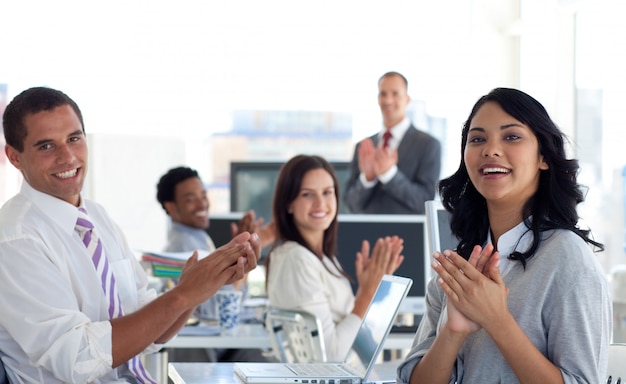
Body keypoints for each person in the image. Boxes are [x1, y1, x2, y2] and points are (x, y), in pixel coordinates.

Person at [0, 86, 260, 383]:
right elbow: (77, 360)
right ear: (15, 157)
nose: (68, 156)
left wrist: (201, 288)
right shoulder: (16, 239)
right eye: (46, 146)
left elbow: (150, 332)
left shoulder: (97, 218)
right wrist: (183, 295)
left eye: (74, 138)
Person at [397, 88, 612, 383]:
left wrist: (497, 321)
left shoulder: (568, 260)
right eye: (477, 139)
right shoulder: (459, 267)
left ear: (544, 158)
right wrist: (452, 332)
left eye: (511, 136)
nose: (490, 150)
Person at [265, 154, 405, 362]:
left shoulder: (321, 258)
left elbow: (355, 338)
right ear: (288, 204)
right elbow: (330, 358)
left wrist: (369, 293)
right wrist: (366, 294)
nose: (320, 203)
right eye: (307, 194)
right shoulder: (296, 260)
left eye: (327, 192)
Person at [156, 165, 272, 362]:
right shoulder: (185, 246)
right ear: (171, 207)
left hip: (215, 347)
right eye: (190, 199)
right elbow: (214, 312)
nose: (202, 204)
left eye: (203, 195)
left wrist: (240, 260)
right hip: (203, 352)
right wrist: (240, 264)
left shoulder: (197, 238)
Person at [344, 71, 441, 214]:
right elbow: (351, 205)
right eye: (383, 94)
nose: (388, 100)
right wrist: (367, 179)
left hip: (408, 234)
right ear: (378, 99)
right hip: (367, 233)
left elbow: (424, 203)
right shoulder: (364, 146)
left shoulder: (428, 145)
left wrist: (389, 174)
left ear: (407, 100)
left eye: (395, 94)